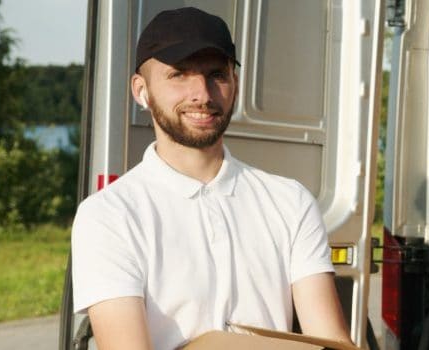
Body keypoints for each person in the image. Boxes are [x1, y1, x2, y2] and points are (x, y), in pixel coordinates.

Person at [70, 7, 352, 350]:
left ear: (235, 83)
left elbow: (331, 342)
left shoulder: (291, 201)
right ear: (140, 90)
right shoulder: (109, 215)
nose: (202, 94)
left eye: (216, 74)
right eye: (179, 75)